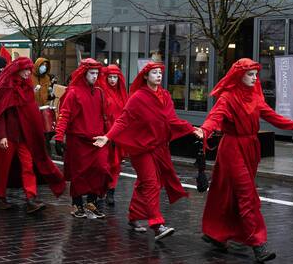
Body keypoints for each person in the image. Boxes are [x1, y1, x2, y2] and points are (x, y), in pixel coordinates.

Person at [201, 59, 293, 263]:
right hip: (232, 148)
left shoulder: (256, 97)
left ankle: (216, 233)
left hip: (251, 148)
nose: (255, 78)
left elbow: (274, 117)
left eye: (256, 74)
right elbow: (215, 117)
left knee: (228, 192)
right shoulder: (227, 97)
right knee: (247, 194)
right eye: (250, 74)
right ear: (239, 75)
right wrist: (204, 130)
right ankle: (258, 243)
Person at [93, 62, 202, 240]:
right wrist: (107, 137)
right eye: (154, 73)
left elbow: (172, 120)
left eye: (160, 73)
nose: (159, 76)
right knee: (151, 183)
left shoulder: (165, 95)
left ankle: (134, 216)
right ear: (145, 76)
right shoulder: (137, 97)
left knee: (146, 183)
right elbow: (123, 120)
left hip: (159, 148)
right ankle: (157, 224)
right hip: (140, 148)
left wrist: (192, 129)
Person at [0, 56, 65, 212]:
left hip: (24, 136)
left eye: (29, 70)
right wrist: (2, 135)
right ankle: (0, 196)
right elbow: (0, 114)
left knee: (28, 166)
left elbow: (30, 111)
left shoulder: (27, 87)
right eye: (25, 70)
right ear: (18, 70)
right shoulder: (5, 87)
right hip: (9, 136)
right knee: (3, 167)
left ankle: (31, 198)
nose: (27, 73)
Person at [54, 59, 111, 219]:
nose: (95, 76)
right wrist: (59, 137)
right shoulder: (73, 92)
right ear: (84, 74)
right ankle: (77, 204)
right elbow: (64, 115)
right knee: (79, 174)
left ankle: (91, 202)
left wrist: (108, 135)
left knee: (101, 169)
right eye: (92, 73)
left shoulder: (99, 92)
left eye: (97, 73)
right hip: (78, 140)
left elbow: (104, 115)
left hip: (97, 140)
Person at [99, 65, 128, 207]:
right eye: (110, 77)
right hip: (104, 133)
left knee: (115, 164)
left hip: (118, 134)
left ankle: (111, 191)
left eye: (115, 77)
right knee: (103, 164)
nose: (112, 80)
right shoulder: (102, 92)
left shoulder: (122, 94)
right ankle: (101, 189)